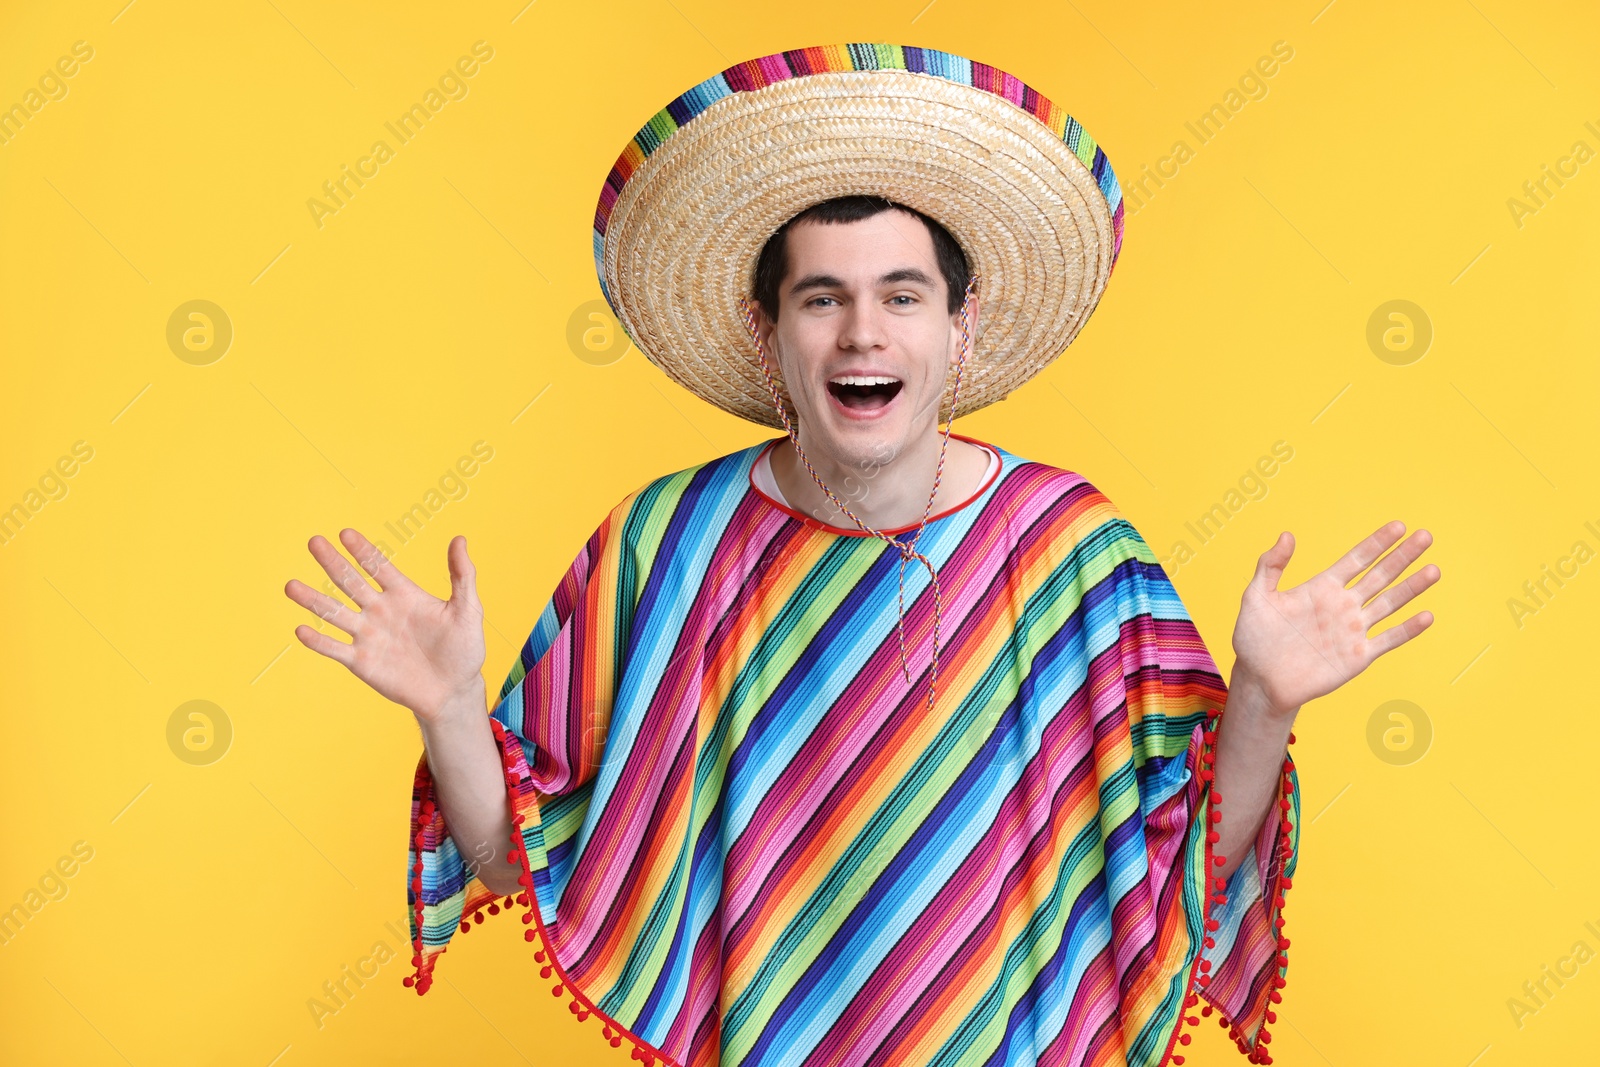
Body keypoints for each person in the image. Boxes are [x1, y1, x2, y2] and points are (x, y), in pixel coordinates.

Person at [284, 43, 1439, 1067]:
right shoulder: (667, 545)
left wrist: (1263, 698)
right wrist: (445, 709)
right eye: (821, 298)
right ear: (767, 332)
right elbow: (511, 862)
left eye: (901, 294)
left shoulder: (1070, 552)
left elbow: (1194, 866)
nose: (862, 333)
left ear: (960, 325)